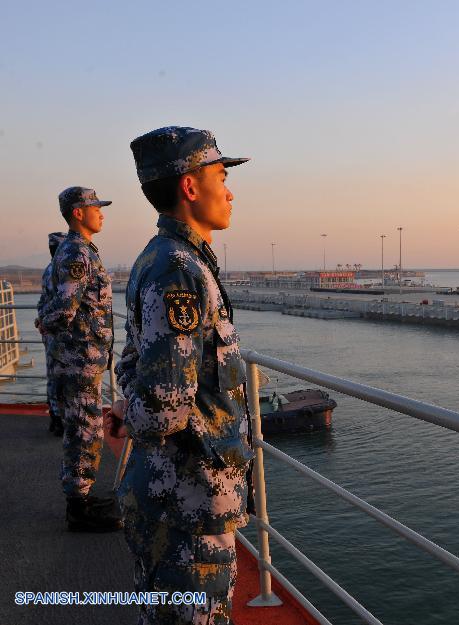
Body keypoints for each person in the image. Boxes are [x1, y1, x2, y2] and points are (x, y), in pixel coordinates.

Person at [111, 126, 251, 624]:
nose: (229, 190)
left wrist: (128, 405)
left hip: (180, 499)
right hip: (187, 504)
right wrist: (136, 411)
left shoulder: (164, 258)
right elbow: (166, 408)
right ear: (190, 187)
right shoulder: (179, 270)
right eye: (219, 175)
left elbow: (134, 365)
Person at [39, 187, 121, 532]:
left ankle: (82, 495)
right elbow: (63, 308)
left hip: (81, 357)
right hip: (79, 360)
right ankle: (79, 507)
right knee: (84, 430)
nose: (101, 213)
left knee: (82, 428)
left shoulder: (80, 250)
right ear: (78, 212)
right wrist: (47, 322)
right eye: (95, 207)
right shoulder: (77, 253)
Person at [35, 231, 67, 436]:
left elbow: (42, 303)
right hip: (60, 334)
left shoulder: (48, 270)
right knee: (62, 377)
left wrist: (41, 322)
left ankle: (55, 417)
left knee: (52, 375)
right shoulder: (60, 272)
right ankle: (61, 420)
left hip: (49, 334)